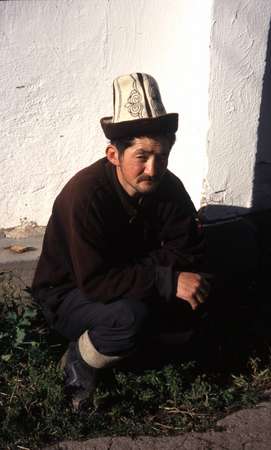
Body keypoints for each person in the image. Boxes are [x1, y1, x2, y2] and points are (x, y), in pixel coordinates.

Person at [32, 72, 210, 410]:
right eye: (142, 156)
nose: (153, 169)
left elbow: (189, 249)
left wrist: (166, 278)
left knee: (199, 299)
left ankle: (132, 354)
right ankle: (78, 360)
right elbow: (97, 281)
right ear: (114, 154)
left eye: (162, 156)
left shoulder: (167, 186)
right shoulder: (84, 196)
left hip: (126, 282)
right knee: (128, 319)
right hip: (70, 293)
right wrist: (166, 278)